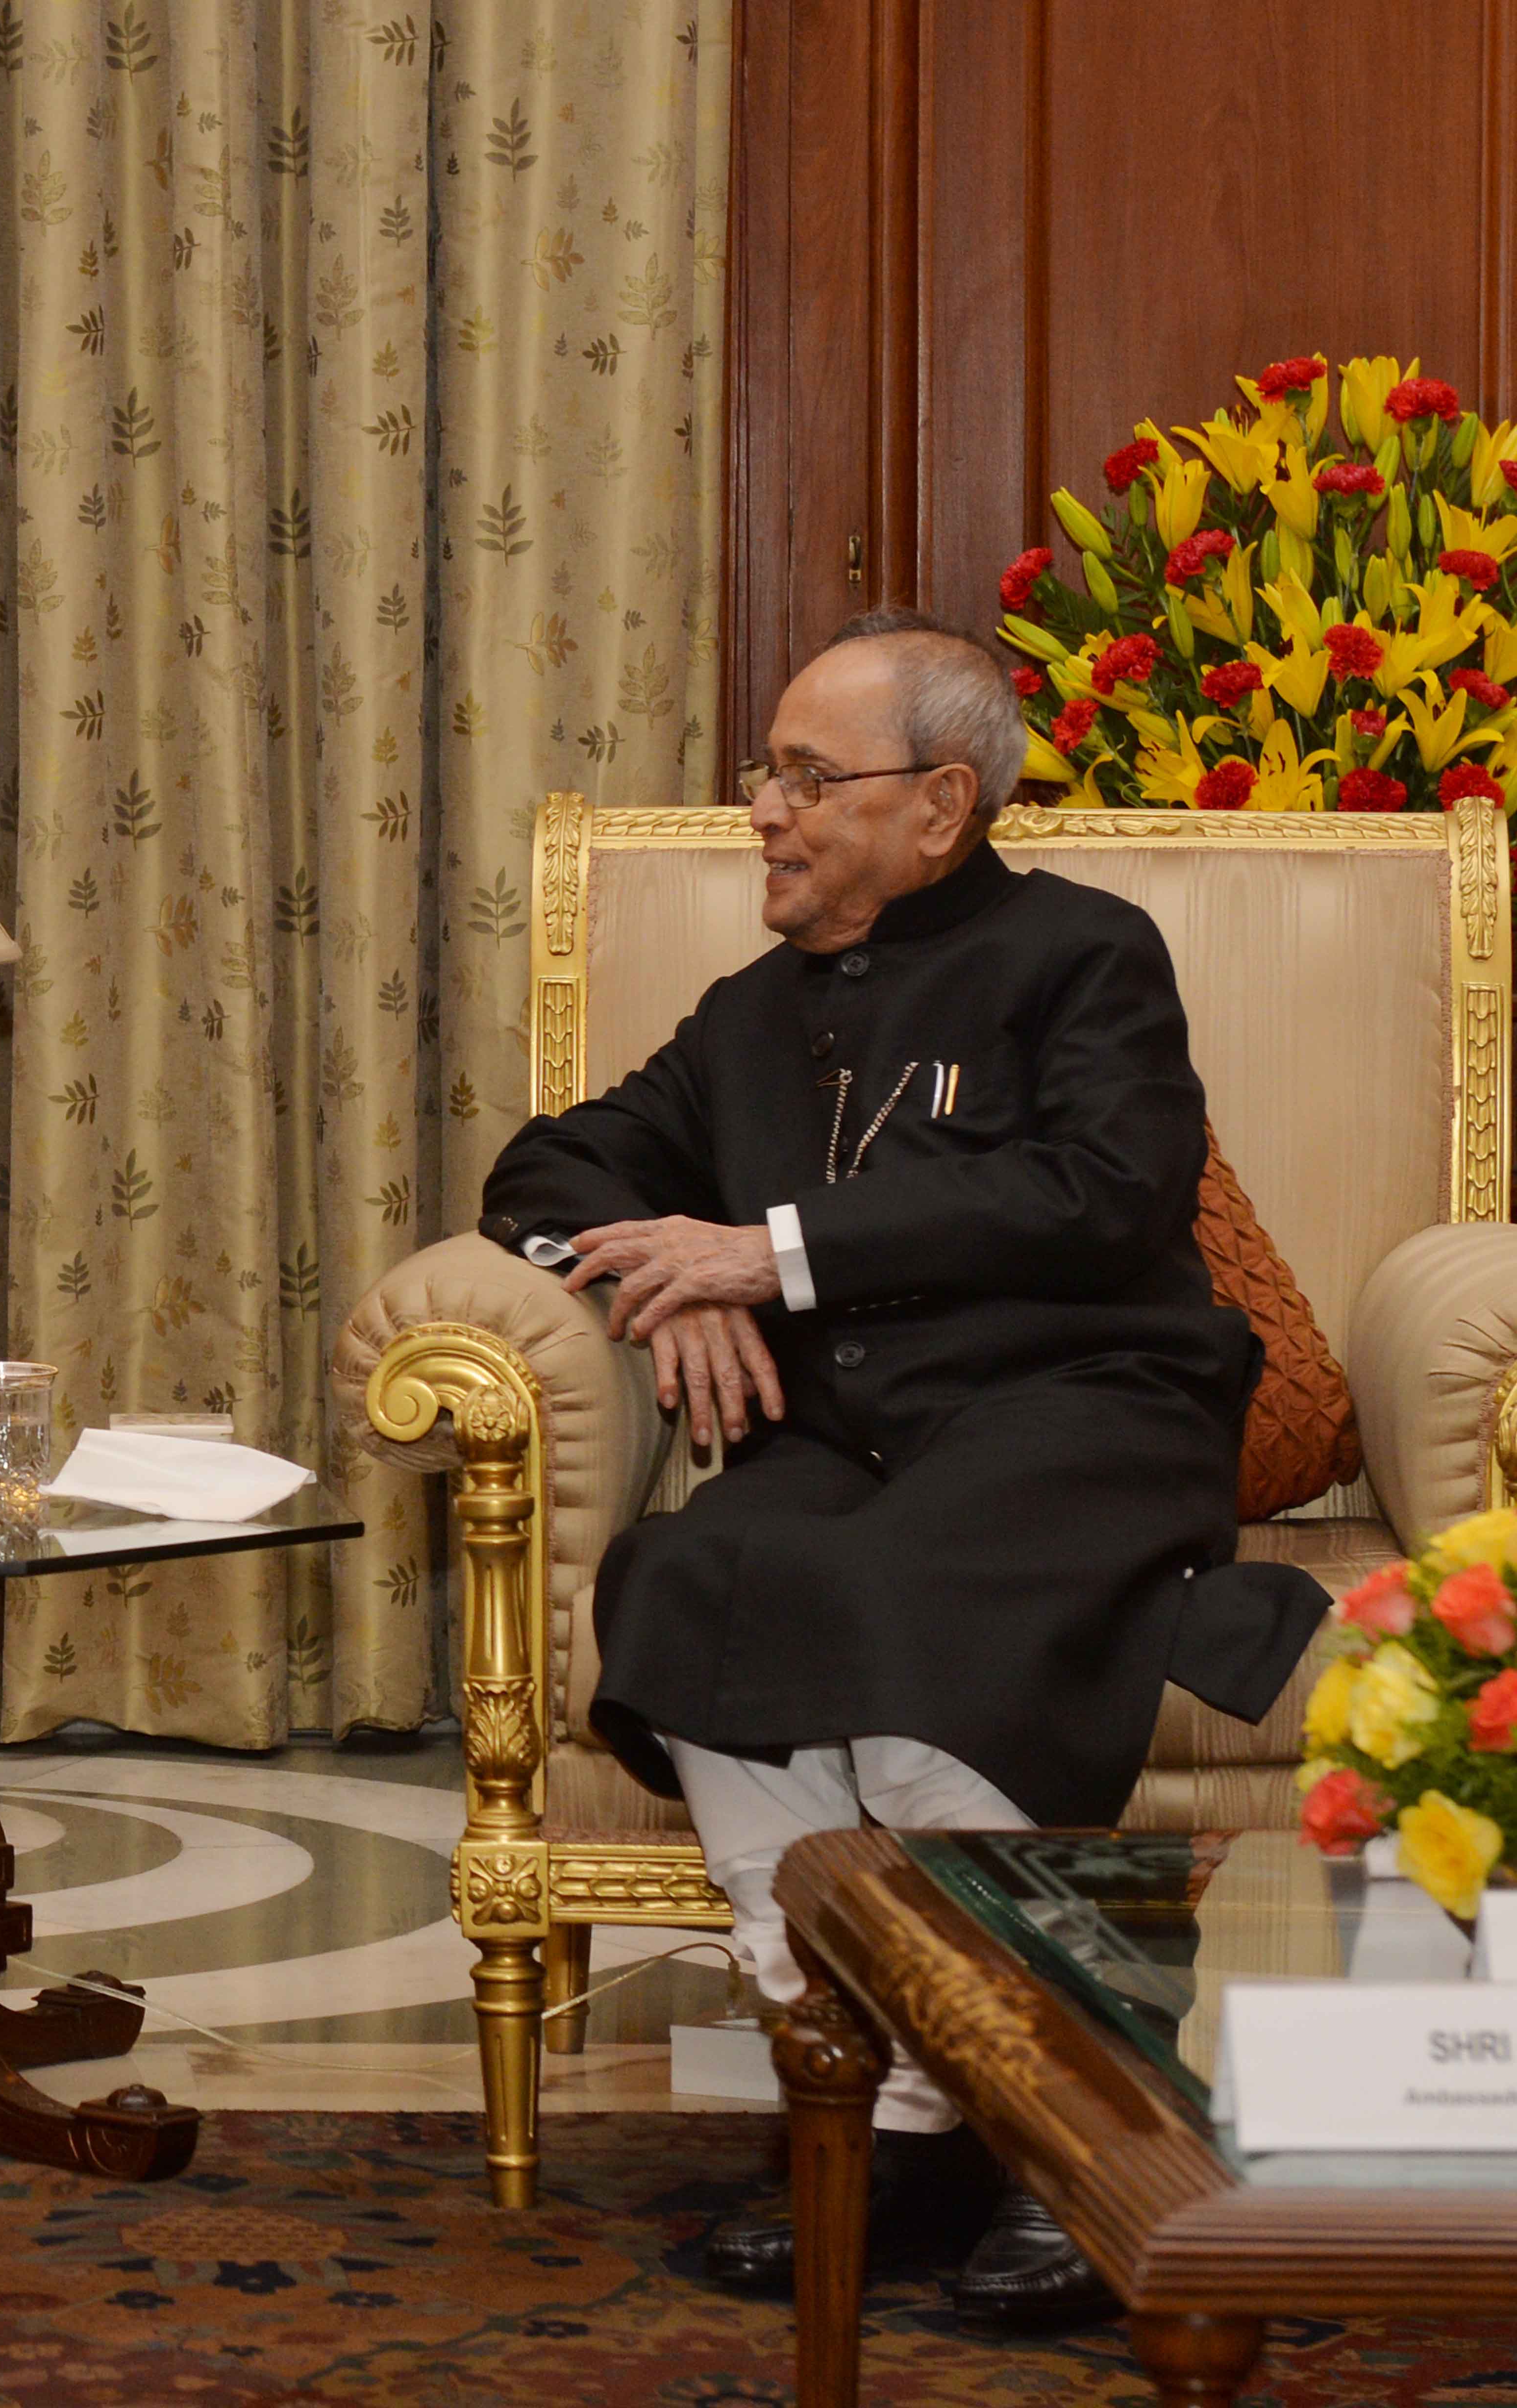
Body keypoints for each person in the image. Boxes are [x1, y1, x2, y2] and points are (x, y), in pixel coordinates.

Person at [477, 608, 1325, 2326]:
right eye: (763, 775)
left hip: (1088, 1409)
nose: (765, 813)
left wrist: (766, 1254)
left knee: (898, 1603)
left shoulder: (1087, 955)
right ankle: (890, 2101)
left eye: (807, 776)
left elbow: (1103, 1191)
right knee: (695, 1583)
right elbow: (546, 1169)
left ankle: (1075, 2115)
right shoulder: (747, 1017)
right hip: (862, 1442)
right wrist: (647, 1278)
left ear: (941, 805)